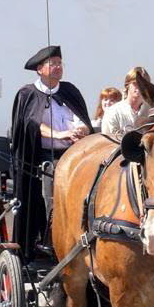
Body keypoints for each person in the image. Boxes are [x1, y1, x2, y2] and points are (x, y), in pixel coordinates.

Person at [10, 45, 93, 260]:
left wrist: (80, 129)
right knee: (53, 183)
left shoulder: (69, 91)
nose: (58, 67)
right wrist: (60, 134)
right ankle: (50, 236)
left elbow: (80, 118)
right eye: (52, 63)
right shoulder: (27, 94)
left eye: (60, 63)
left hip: (73, 153)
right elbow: (32, 124)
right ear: (39, 69)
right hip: (41, 157)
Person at [101, 67, 151, 136]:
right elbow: (106, 142)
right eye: (135, 83)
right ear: (127, 85)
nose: (140, 87)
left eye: (144, 84)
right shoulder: (113, 112)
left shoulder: (152, 112)